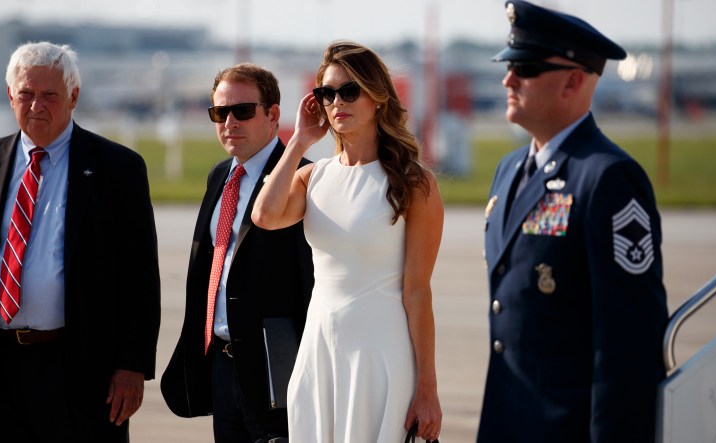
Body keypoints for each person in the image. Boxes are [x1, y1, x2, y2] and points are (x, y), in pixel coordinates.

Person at [478, 2, 669, 442]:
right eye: (508, 66)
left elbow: (628, 347)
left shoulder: (609, 178)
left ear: (573, 80)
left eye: (524, 67)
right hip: (507, 423)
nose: (508, 79)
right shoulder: (508, 170)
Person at [0, 41, 161, 442]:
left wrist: (132, 367)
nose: (36, 106)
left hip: (83, 370)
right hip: (0, 369)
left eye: (50, 95)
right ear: (10, 95)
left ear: (74, 97)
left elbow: (140, 279)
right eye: (26, 94)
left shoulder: (118, 169)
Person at [252, 41, 444, 442]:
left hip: (381, 356)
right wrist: (300, 141)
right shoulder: (314, 176)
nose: (337, 101)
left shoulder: (413, 183)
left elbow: (418, 291)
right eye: (326, 93)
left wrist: (427, 388)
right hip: (319, 352)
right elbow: (264, 216)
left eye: (349, 90)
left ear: (377, 97)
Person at [160, 63, 314, 443]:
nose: (230, 122)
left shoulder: (303, 178)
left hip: (277, 372)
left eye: (242, 111)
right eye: (220, 112)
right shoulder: (220, 176)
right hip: (222, 368)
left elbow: (311, 284)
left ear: (273, 114)